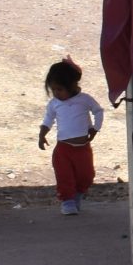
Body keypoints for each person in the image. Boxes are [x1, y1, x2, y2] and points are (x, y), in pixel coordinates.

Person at [37, 58, 104, 216]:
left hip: (82, 148)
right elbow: (48, 119)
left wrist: (96, 128)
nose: (56, 94)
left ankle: (78, 194)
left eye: (59, 89)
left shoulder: (84, 100)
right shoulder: (54, 104)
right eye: (53, 90)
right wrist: (42, 134)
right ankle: (67, 200)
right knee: (64, 175)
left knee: (86, 175)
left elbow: (98, 111)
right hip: (63, 149)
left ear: (72, 86)